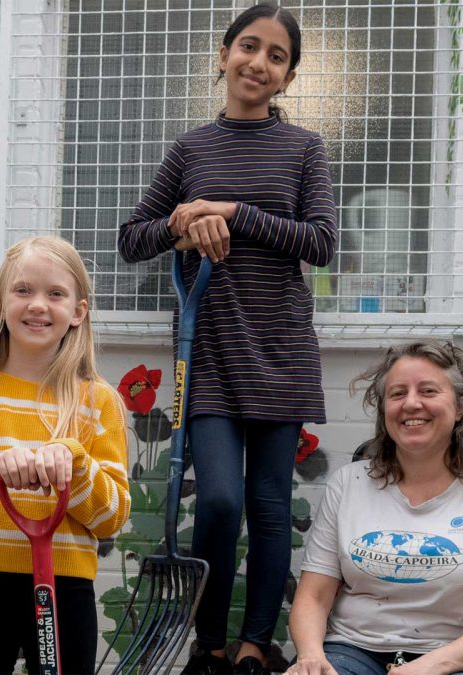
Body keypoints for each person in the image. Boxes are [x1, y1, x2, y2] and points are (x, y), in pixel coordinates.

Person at [117, 4, 337, 673]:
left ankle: (252, 645)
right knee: (217, 498)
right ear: (223, 54)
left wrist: (235, 213)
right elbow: (132, 239)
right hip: (206, 350)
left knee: (271, 506)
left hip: (280, 348)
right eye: (249, 46)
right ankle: (208, 641)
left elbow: (322, 243)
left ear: (288, 75)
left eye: (276, 55)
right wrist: (181, 225)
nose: (258, 62)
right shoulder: (189, 150)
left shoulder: (304, 149)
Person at [0, 235, 130, 675]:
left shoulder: (98, 403)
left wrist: (75, 463)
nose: (38, 304)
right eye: (23, 291)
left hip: (66, 587)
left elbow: (111, 516)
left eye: (55, 294)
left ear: (78, 311)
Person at [287, 341, 463, 675]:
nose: (412, 403)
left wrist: (428, 667)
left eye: (429, 390)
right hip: (352, 651)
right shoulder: (349, 484)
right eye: (397, 393)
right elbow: (314, 597)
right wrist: (311, 656)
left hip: (460, 658)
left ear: (460, 407)